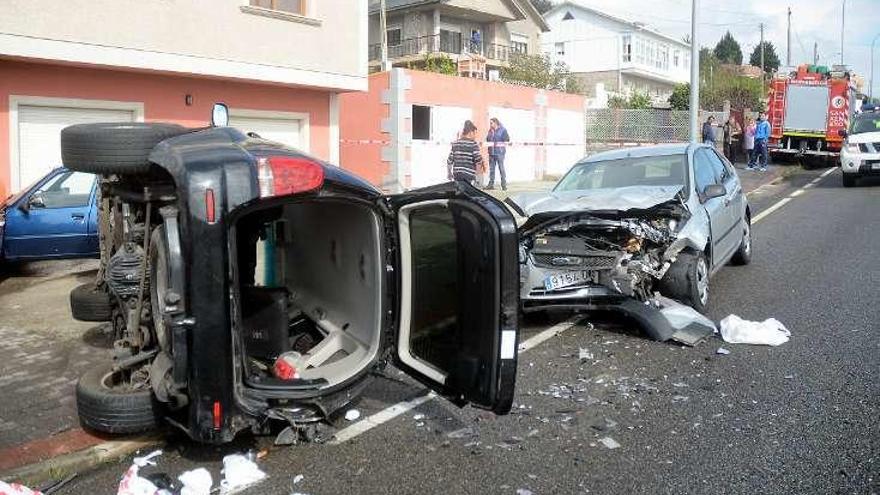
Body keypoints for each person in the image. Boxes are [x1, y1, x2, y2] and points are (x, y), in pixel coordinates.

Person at [447, 120, 483, 185]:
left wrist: (449, 173)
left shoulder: (455, 143)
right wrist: (478, 178)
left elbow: (449, 160)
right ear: (470, 132)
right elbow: (478, 161)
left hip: (457, 175)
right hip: (469, 176)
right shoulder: (473, 144)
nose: (475, 136)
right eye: (475, 133)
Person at [485, 117, 510, 190]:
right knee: (492, 169)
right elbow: (487, 139)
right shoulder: (490, 130)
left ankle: (503, 185)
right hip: (491, 153)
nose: (490, 124)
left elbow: (507, 139)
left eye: (491, 123)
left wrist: (500, 143)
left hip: (500, 153)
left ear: (495, 123)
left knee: (501, 169)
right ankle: (491, 184)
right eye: (490, 123)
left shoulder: (503, 130)